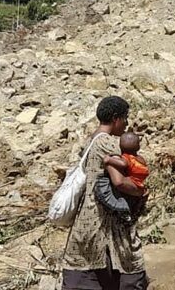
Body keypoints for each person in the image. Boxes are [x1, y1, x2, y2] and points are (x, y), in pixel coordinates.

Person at [62, 96, 149, 290]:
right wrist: (141, 190)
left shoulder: (92, 140)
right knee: (128, 270)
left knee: (87, 274)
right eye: (125, 119)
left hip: (85, 222)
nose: (126, 125)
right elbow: (119, 181)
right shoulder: (109, 143)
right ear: (117, 118)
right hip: (106, 223)